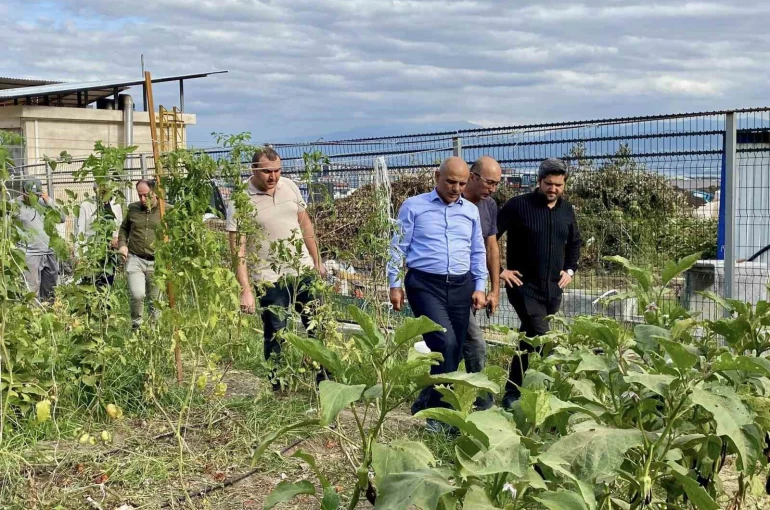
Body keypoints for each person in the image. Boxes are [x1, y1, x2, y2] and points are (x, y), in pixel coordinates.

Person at [388, 157, 487, 428]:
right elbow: (398, 247)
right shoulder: (413, 207)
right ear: (436, 177)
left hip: (461, 285)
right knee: (445, 344)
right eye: (451, 182)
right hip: (425, 285)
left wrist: (480, 286)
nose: (456, 188)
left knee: (454, 350)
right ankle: (438, 418)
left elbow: (477, 250)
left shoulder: (470, 211)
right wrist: (394, 284)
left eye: (462, 184)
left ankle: (426, 403)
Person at [227, 147, 327, 390]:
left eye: (277, 171)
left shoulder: (289, 186)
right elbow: (237, 250)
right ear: (253, 170)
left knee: (318, 326)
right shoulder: (240, 199)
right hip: (269, 278)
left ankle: (325, 383)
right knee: (276, 333)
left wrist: (317, 262)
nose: (273, 177)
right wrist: (246, 290)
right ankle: (279, 387)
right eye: (267, 172)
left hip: (302, 271)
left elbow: (305, 225)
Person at [496, 158, 582, 409]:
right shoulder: (518, 205)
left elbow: (574, 242)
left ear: (564, 185)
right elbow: (489, 237)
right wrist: (499, 271)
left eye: (558, 185)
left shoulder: (567, 210)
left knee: (528, 339)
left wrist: (570, 269)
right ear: (539, 181)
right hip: (523, 287)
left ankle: (512, 394)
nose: (553, 189)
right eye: (549, 184)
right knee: (544, 339)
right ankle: (554, 395)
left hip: (553, 289)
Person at [460, 156, 502, 410]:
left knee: (455, 347)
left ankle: (426, 402)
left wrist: (494, 290)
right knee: (475, 343)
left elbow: (491, 247)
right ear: (472, 177)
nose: (493, 189)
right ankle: (485, 405)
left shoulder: (489, 206)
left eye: (497, 184)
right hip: (451, 286)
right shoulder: (453, 201)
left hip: (473, 287)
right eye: (490, 182)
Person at [118, 179, 162, 329]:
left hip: (157, 261)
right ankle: (136, 327)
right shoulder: (133, 209)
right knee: (137, 294)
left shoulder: (166, 210)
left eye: (146, 195)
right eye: (139, 195)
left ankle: (154, 332)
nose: (143, 199)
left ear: (154, 192)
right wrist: (122, 245)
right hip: (135, 259)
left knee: (155, 301)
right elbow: (123, 229)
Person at [16, 179, 65, 301]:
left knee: (50, 289)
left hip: (49, 252)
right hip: (30, 254)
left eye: (36, 195)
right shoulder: (15, 205)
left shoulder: (45, 204)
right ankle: (32, 312)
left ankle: (48, 310)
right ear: (23, 192)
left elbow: (62, 218)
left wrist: (49, 201)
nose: (32, 198)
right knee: (31, 291)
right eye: (29, 194)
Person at [75, 183, 123, 287]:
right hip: (92, 251)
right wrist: (79, 256)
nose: (103, 194)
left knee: (107, 283)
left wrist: (116, 237)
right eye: (101, 191)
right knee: (90, 282)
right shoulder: (86, 205)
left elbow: (119, 226)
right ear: (94, 190)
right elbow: (80, 232)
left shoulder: (116, 206)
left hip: (109, 252)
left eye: (106, 191)